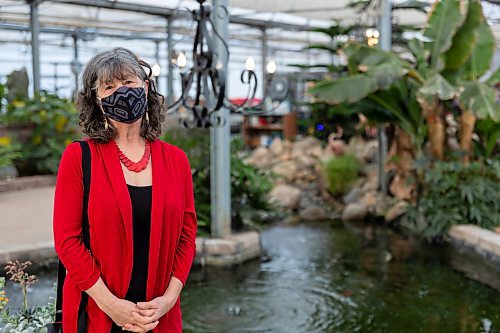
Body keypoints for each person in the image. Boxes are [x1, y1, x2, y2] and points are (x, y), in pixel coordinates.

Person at [53, 47, 198, 333]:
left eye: (129, 82)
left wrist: (168, 299)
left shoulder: (177, 160)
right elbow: (67, 240)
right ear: (97, 100)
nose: (122, 91)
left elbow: (187, 235)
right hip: (98, 315)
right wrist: (112, 306)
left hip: (160, 316)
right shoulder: (79, 157)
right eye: (109, 86)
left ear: (145, 86)